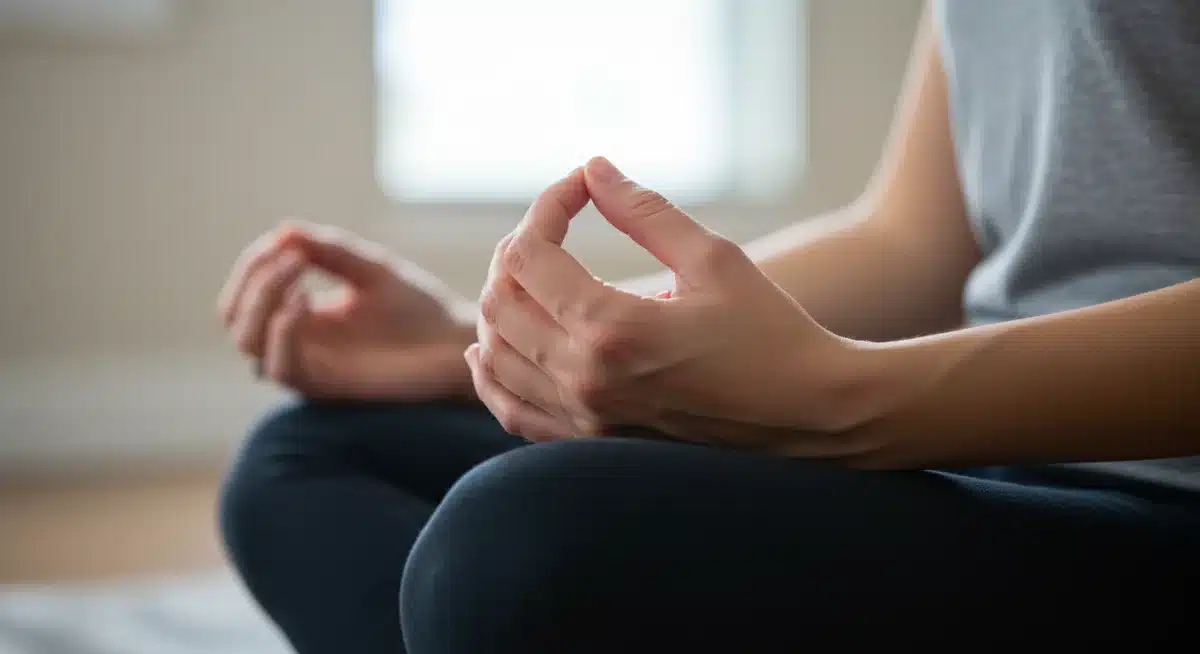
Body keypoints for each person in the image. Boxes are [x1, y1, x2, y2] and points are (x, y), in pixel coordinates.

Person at [216, 2, 1199, 652]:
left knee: (515, 543)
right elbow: (916, 243)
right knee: (309, 460)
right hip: (1000, 458)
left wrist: (838, 401)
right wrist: (503, 342)